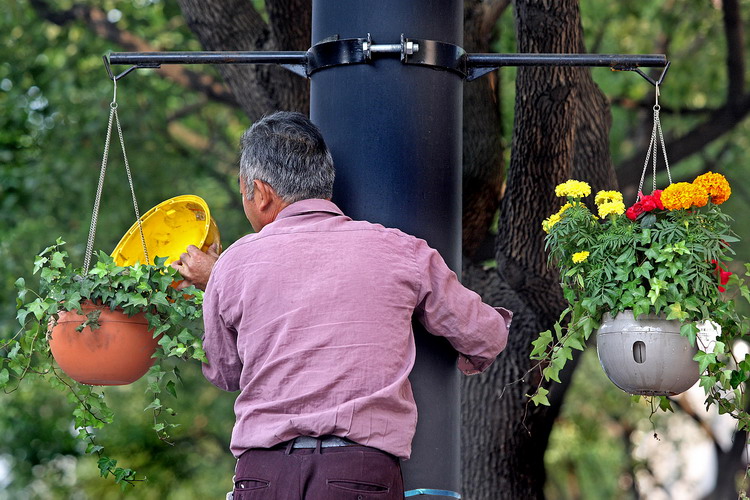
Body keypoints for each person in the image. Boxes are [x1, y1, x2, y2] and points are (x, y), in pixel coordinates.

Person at [172, 111, 512, 500]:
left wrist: (216, 281)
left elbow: (225, 371)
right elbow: (487, 335)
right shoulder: (400, 250)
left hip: (263, 477)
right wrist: (466, 358)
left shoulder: (233, 263)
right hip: (359, 475)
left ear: (261, 192)